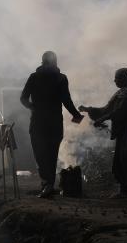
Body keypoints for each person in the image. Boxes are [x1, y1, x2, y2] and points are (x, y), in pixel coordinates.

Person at [20, 51, 83, 197]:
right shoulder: (61, 78)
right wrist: (76, 115)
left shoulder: (34, 77)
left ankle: (47, 184)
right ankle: (48, 184)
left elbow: (23, 98)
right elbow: (66, 100)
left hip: (37, 122)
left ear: (42, 61)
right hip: (55, 122)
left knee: (40, 154)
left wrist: (32, 107)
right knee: (51, 154)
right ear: (55, 61)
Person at [79, 67, 127, 198]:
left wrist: (103, 119)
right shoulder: (120, 94)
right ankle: (124, 190)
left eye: (117, 78)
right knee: (120, 161)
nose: (115, 81)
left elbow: (120, 112)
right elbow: (106, 109)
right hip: (123, 132)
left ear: (124, 79)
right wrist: (88, 109)